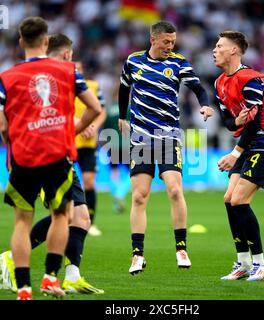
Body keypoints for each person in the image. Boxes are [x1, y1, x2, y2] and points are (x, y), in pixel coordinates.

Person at [0, 18, 101, 300]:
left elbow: (4, 127)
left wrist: (19, 144)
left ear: (20, 42)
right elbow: (95, 108)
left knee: (41, 218)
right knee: (64, 215)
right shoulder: (67, 72)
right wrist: (72, 129)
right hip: (56, 154)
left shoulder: (6, 77)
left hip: (23, 157)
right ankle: (49, 276)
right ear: (46, 41)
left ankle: (29, 287)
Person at [118, 21, 214, 275]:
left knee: (174, 190)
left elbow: (197, 87)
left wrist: (204, 104)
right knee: (139, 196)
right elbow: (123, 87)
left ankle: (181, 248)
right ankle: (137, 255)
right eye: (166, 42)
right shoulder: (133, 61)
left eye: (173, 42)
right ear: (153, 39)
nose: (170, 47)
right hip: (140, 138)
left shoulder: (179, 62)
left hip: (168, 135)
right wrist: (121, 115)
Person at [213, 31, 264, 281]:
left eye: (220, 46)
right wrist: (236, 120)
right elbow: (228, 123)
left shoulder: (251, 79)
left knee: (239, 201)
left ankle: (260, 264)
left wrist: (234, 153)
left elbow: (254, 125)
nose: (214, 50)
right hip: (248, 144)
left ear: (234, 50)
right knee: (229, 199)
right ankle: (243, 262)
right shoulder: (219, 82)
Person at [74, 61, 107, 236]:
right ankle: (66, 219)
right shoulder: (62, 86)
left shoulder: (93, 86)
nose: (77, 71)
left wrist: (94, 126)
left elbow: (102, 110)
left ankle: (90, 223)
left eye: (79, 69)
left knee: (88, 181)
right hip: (68, 141)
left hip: (87, 143)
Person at [102, 85, 131, 214]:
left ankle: (116, 197)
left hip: (112, 145)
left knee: (114, 171)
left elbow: (104, 130)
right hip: (126, 145)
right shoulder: (129, 110)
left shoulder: (108, 111)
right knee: (133, 173)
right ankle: (120, 193)